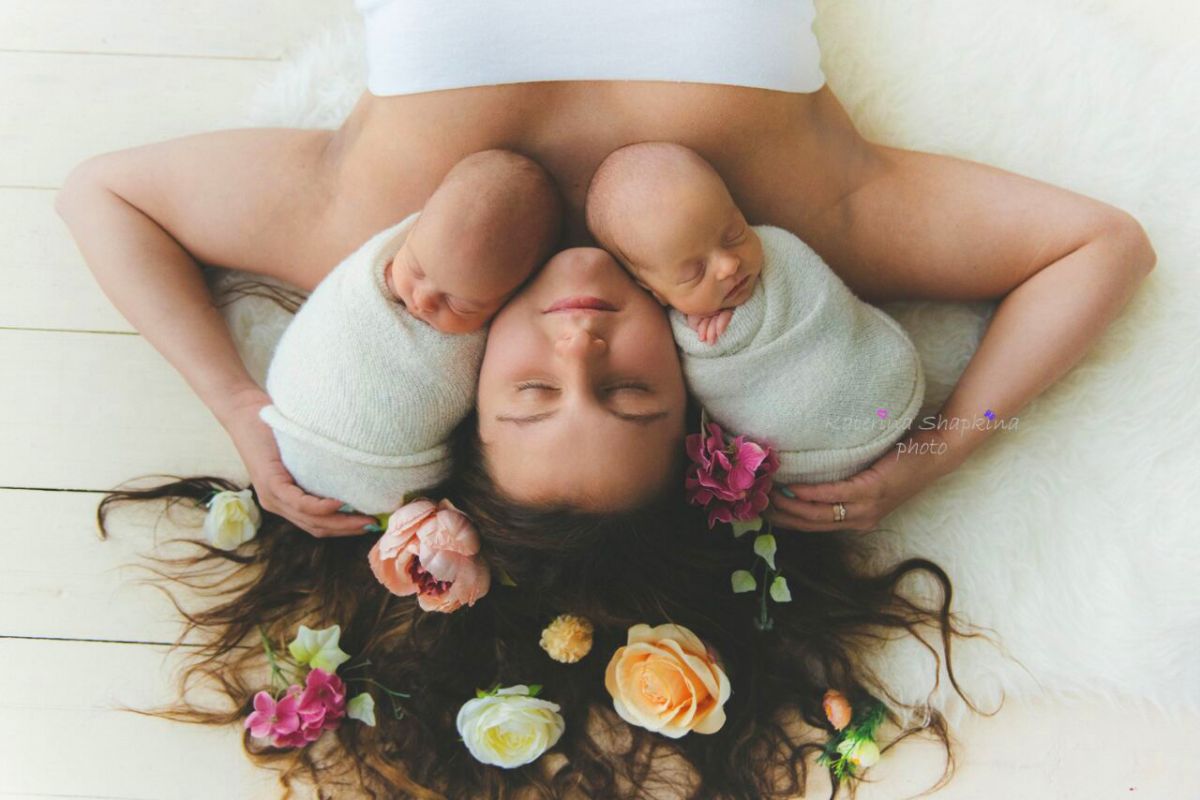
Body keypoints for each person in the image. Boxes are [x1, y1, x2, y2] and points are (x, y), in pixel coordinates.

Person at [55, 0, 1156, 538]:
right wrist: (932, 450)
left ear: (466, 395)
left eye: (534, 394)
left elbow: (101, 194)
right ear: (693, 395)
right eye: (626, 392)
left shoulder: (379, 229)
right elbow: (1102, 246)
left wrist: (241, 406)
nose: (580, 342)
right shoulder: (781, 223)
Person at [585, 141, 926, 488]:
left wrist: (741, 315)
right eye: (694, 273)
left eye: (733, 235)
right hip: (814, 437)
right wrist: (712, 340)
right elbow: (705, 385)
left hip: (874, 374)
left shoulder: (778, 251)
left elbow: (813, 290)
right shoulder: (670, 336)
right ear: (654, 291)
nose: (728, 265)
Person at [260, 149, 562, 514]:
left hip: (388, 476)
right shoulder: (376, 267)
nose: (421, 301)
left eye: (458, 304)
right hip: (292, 417)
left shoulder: (492, 339)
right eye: (416, 269)